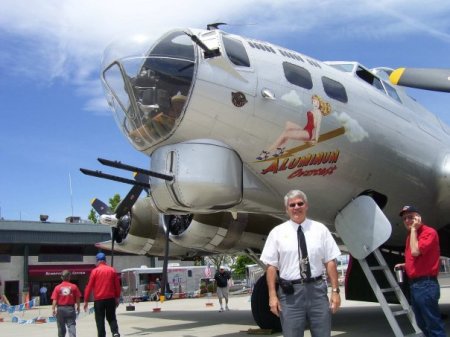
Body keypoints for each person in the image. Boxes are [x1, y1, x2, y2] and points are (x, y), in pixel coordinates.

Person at [260, 189, 341, 337]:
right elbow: (271, 267)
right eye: (292, 205)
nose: (296, 207)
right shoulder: (277, 233)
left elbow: (330, 261)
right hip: (290, 295)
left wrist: (335, 292)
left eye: (300, 203)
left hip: (317, 291)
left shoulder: (320, 230)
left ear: (306, 206)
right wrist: (272, 296)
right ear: (287, 209)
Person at [394, 205, 446, 337]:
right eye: (405, 218)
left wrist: (413, 230)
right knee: (422, 322)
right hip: (414, 285)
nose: (407, 221)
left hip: (426, 284)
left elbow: (416, 251)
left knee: (433, 323)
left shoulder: (429, 232)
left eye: (410, 217)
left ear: (418, 218)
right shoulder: (411, 237)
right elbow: (417, 258)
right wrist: (405, 265)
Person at [256, 94, 331, 160]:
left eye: (316, 101)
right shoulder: (313, 110)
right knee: (288, 124)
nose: (315, 103)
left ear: (319, 103)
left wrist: (315, 140)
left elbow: (317, 127)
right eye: (313, 101)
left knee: (286, 134)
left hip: (309, 134)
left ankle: (266, 153)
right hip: (305, 130)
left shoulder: (318, 113)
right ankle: (280, 148)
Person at [84, 252, 121, 337]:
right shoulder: (112, 270)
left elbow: (89, 286)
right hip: (110, 298)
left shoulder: (95, 271)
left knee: (100, 319)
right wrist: (117, 297)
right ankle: (115, 332)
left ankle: (101, 335)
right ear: (105, 260)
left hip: (99, 300)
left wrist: (86, 300)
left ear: (97, 261)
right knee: (111, 317)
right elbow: (117, 286)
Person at [51, 270, 81, 337]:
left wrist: (53, 309)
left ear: (61, 277)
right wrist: (78, 307)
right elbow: (78, 298)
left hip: (60, 309)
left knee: (61, 327)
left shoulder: (57, 288)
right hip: (70, 309)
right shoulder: (74, 287)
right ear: (69, 277)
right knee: (71, 325)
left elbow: (55, 299)